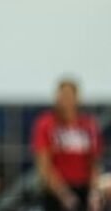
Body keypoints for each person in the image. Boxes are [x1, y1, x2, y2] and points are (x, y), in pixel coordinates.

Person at [31, 79, 104, 211]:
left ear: (77, 99)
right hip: (56, 191)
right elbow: (44, 164)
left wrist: (94, 191)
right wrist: (63, 193)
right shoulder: (46, 124)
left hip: (83, 187)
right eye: (62, 96)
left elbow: (94, 162)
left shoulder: (89, 125)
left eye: (69, 96)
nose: (65, 101)